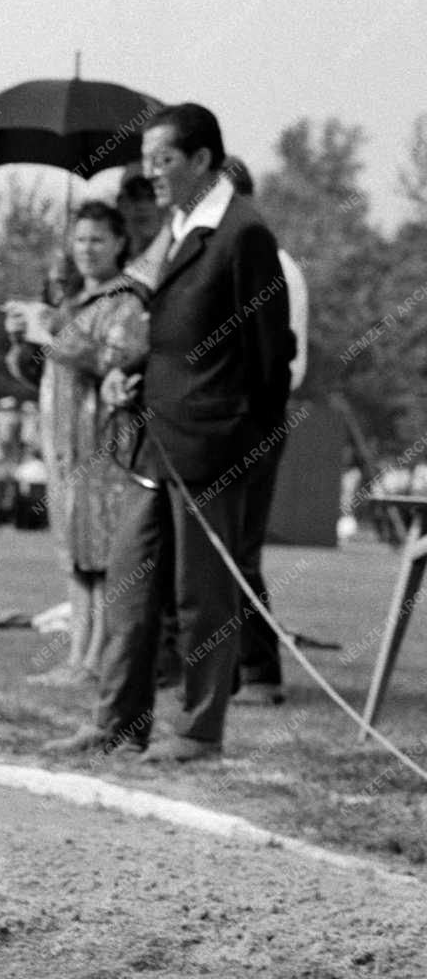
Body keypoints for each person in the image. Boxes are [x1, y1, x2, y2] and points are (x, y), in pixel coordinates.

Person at [51, 104, 294, 764]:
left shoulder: (243, 234)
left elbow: (273, 355)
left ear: (203, 161)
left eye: (163, 159)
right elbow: (174, 337)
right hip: (152, 440)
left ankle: (197, 729)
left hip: (210, 449)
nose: (150, 172)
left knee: (200, 596)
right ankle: (117, 720)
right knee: (129, 583)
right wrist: (127, 372)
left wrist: (245, 446)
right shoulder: (179, 228)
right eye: (147, 158)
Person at [7, 203, 149, 685]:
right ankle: (77, 657)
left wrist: (51, 330)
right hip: (62, 447)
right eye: (80, 240)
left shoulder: (126, 302)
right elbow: (38, 372)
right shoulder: (68, 303)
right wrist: (23, 342)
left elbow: (116, 361)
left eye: (97, 240)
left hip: (104, 447)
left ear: (119, 244)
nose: (86, 250)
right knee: (73, 554)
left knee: (103, 556)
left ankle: (97, 660)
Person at [220, 156, 309, 706]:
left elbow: (283, 361)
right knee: (220, 548)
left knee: (240, 548)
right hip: (225, 420)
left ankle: (260, 671)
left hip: (253, 420)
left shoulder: (274, 266)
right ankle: (227, 669)